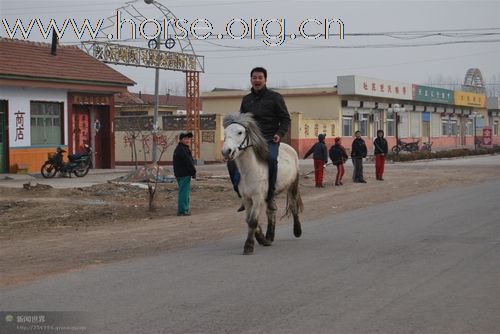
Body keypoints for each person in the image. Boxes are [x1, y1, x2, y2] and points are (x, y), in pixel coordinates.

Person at [240, 67, 291, 210]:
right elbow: (242, 120)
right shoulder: (246, 99)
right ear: (251, 79)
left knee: (272, 160)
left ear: (265, 80)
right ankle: (241, 195)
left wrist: (279, 134)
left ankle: (271, 196)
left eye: (260, 78)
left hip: (269, 138)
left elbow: (285, 118)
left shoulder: (275, 97)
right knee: (232, 162)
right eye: (254, 77)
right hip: (250, 139)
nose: (257, 80)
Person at [173, 131, 196, 216]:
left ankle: (185, 209)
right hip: (183, 174)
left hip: (182, 174)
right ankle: (182, 210)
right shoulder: (182, 149)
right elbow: (188, 161)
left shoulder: (183, 148)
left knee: (185, 192)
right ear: (181, 140)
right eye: (185, 138)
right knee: (184, 192)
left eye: (188, 138)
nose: (187, 140)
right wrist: (193, 172)